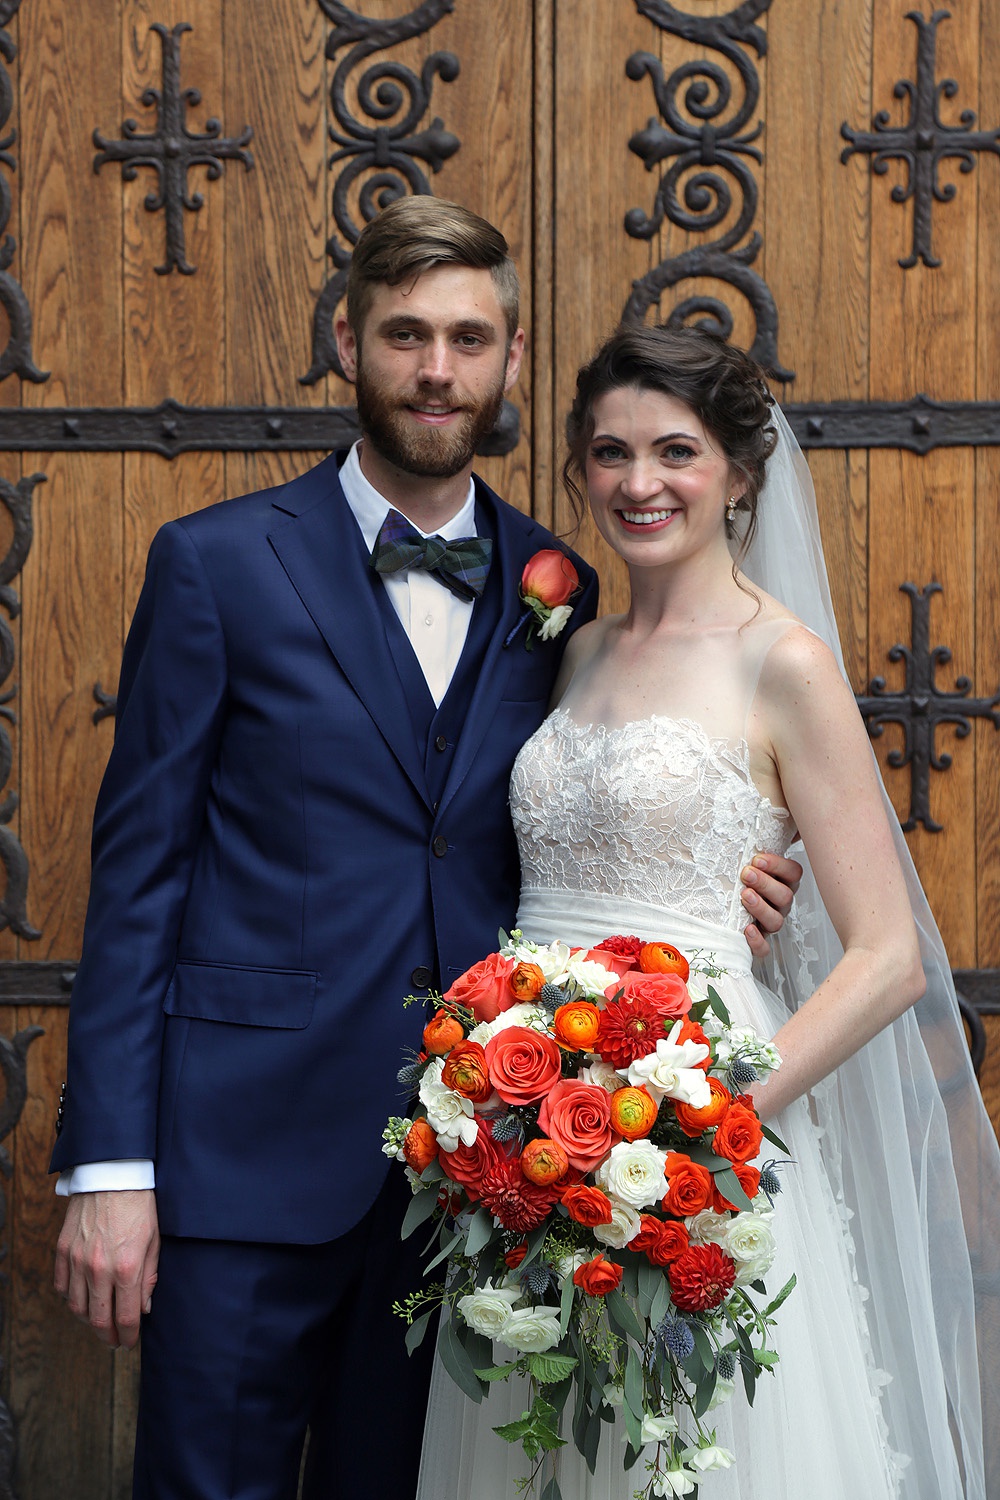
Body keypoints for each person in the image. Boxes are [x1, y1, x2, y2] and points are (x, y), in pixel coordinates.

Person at [48, 201, 797, 1500]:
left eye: (468, 338)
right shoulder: (215, 565)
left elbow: (593, 797)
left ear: (512, 359)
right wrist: (111, 1170)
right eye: (405, 335)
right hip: (239, 1165)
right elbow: (139, 881)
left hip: (483, 1184)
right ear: (349, 341)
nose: (436, 371)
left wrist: (713, 877)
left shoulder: (563, 583)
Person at [416, 325, 1000, 1500]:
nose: (639, 484)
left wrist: (703, 1124)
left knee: (696, 1450)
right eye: (609, 453)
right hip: (529, 1140)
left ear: (739, 472)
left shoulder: (781, 662)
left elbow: (886, 957)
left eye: (675, 452)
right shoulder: (573, 651)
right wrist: (510, 1106)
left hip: (693, 1124)